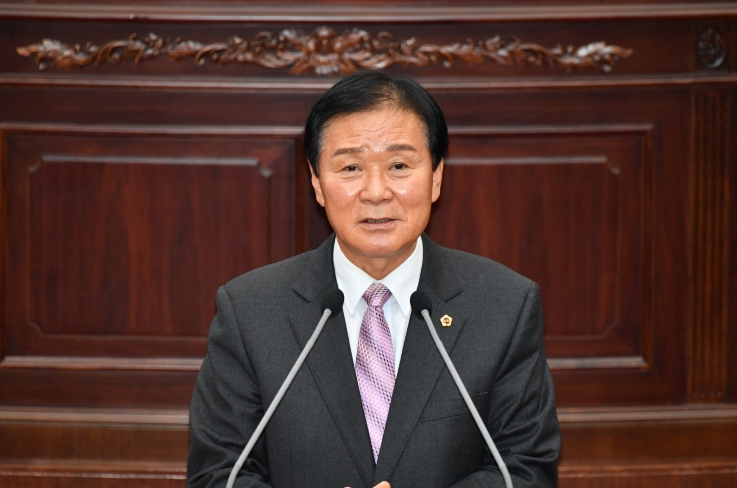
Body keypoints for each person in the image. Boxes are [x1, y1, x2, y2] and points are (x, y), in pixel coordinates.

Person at [187, 70, 560, 488]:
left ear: (436, 176)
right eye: (351, 167)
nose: (376, 192)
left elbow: (526, 470)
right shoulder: (250, 311)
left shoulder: (503, 305)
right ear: (317, 182)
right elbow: (218, 476)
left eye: (399, 165)